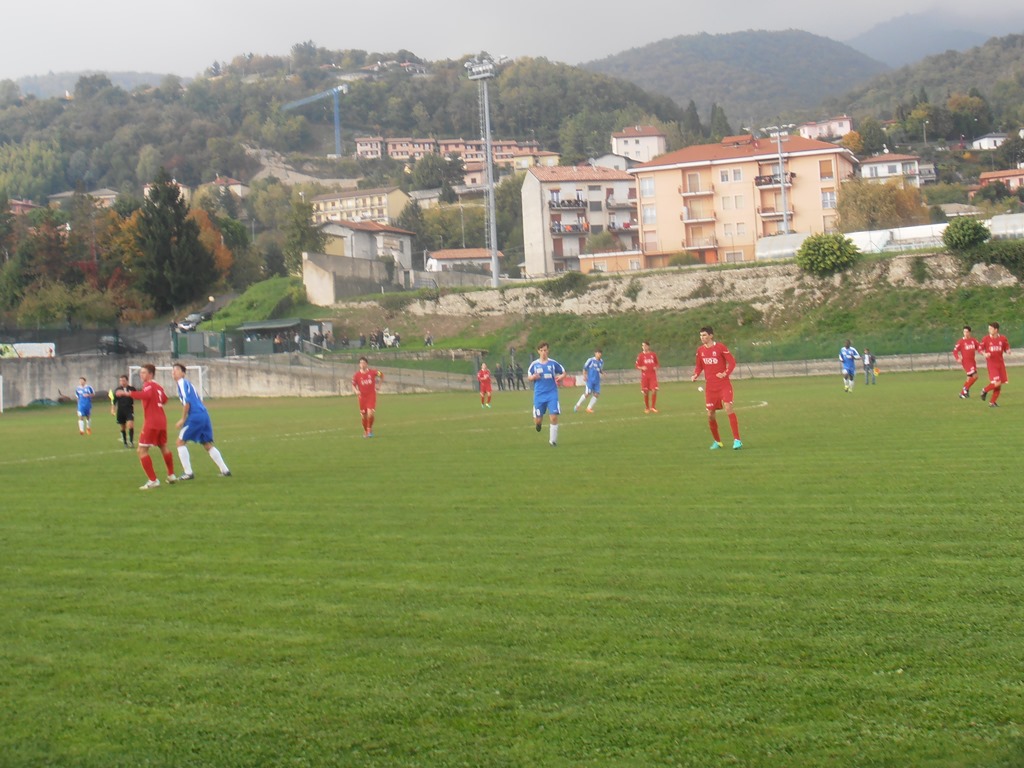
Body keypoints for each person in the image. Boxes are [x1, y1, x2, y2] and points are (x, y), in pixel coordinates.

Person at [116, 363, 177, 489]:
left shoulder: (148, 385)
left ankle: (153, 480)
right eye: (141, 372)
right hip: (162, 421)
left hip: (152, 422)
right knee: (163, 446)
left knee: (141, 450)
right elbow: (164, 399)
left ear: (150, 374)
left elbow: (146, 395)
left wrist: (126, 393)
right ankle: (171, 475)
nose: (141, 374)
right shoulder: (158, 387)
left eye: (143, 372)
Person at [171, 363, 231, 479]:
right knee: (206, 444)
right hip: (204, 414)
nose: (174, 372)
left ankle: (188, 473)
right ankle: (225, 470)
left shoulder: (182, 383)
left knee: (180, 442)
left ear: (183, 373)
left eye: (177, 370)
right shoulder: (188, 384)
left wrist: (183, 419)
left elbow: (187, 402)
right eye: (173, 370)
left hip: (195, 415)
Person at [692, 326, 742, 450]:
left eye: (704, 335)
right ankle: (717, 441)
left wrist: (725, 373)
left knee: (728, 407)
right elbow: (699, 366)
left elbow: (732, 362)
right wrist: (695, 374)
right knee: (710, 415)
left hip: (723, 384)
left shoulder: (720, 347)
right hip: (710, 387)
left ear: (711, 336)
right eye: (701, 335)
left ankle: (737, 440)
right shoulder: (700, 351)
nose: (702, 338)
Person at [528, 342, 565, 446]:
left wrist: (561, 377)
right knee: (538, 421)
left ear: (548, 351)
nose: (543, 352)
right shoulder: (534, 365)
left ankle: (552, 441)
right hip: (539, 395)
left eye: (545, 350)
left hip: (552, 393)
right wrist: (534, 377)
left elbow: (563, 372)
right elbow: (529, 377)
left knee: (553, 417)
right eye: (541, 350)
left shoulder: (553, 363)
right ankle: (538, 422)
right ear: (538, 351)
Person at [979, 322, 1010, 407]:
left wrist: (1008, 350)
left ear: (996, 330)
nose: (989, 330)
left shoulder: (1003, 338)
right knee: (997, 382)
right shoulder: (986, 339)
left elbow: (1006, 347)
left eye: (991, 329)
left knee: (999, 385)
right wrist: (984, 354)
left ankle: (992, 402)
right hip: (992, 364)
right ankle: (984, 390)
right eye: (989, 328)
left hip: (1000, 364)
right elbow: (980, 349)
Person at [352, 356, 384, 437]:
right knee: (364, 416)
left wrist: (379, 385)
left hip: (371, 395)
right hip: (362, 397)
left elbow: (382, 375)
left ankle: (369, 429)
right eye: (361, 363)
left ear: (367, 364)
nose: (362, 364)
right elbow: (353, 385)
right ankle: (366, 430)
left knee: (370, 413)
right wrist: (356, 391)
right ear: (359, 365)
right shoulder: (357, 375)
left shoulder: (373, 372)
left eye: (363, 363)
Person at [953, 325, 982, 399]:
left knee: (969, 378)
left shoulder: (973, 340)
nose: (965, 333)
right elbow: (955, 351)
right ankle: (965, 389)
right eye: (964, 332)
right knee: (975, 376)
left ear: (970, 332)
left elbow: (978, 347)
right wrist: (957, 358)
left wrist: (983, 351)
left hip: (972, 361)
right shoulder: (961, 341)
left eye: (967, 332)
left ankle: (963, 394)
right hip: (966, 362)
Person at [574, 349, 604, 413]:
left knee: (596, 394)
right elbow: (585, 368)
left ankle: (589, 408)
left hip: (597, 381)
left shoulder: (601, 361)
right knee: (587, 393)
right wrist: (584, 376)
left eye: (600, 353)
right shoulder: (590, 360)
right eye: (598, 353)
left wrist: (602, 372)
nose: (599, 354)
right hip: (590, 380)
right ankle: (577, 405)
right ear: (595, 353)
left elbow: (599, 369)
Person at [110, 374, 136, 447]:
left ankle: (131, 441)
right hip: (121, 411)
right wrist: (113, 409)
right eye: (121, 381)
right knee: (123, 427)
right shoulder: (117, 390)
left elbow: (135, 396)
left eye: (123, 380)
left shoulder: (132, 388)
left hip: (129, 410)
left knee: (130, 425)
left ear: (127, 381)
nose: (122, 382)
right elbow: (114, 401)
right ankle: (125, 442)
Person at [635, 340, 660, 412]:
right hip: (645, 376)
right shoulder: (640, 355)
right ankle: (647, 407)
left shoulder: (653, 354)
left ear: (648, 346)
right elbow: (636, 366)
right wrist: (642, 367)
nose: (643, 347)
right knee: (646, 392)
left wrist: (656, 367)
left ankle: (653, 407)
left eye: (645, 345)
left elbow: (657, 364)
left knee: (654, 390)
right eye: (642, 346)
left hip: (652, 375)